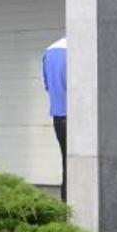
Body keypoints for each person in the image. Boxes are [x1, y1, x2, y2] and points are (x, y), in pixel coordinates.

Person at [42, 35, 68, 201]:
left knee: (66, 163)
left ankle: (66, 204)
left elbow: (47, 85)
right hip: (80, 118)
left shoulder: (49, 50)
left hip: (58, 116)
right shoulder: (83, 48)